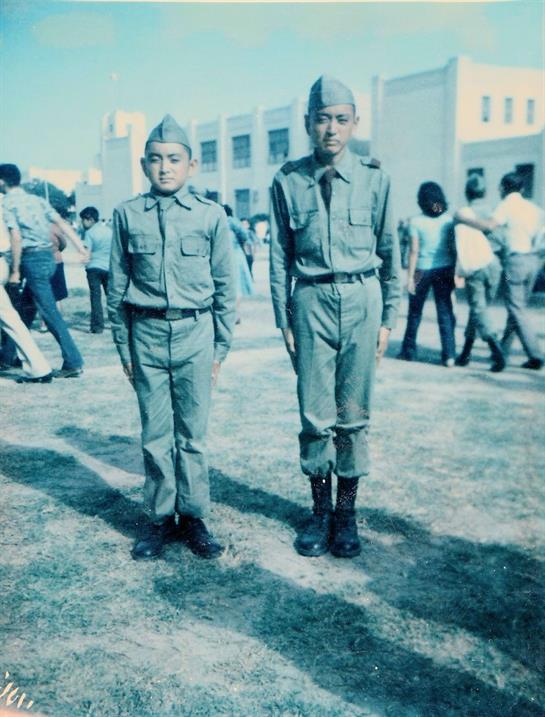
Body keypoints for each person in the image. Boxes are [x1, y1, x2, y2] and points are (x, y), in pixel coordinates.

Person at [270, 75, 401, 559]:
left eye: (341, 120)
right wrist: (283, 318)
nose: (331, 129)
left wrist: (388, 320)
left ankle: (346, 514)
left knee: (354, 413)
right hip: (310, 303)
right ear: (308, 123)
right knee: (313, 414)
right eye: (322, 119)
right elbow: (278, 256)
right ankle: (319, 511)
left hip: (362, 302)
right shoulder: (287, 181)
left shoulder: (375, 178)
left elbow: (389, 251)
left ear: (354, 123)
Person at [108, 114, 236, 561]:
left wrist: (220, 348)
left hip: (195, 333)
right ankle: (160, 518)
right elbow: (117, 287)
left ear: (192, 165)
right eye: (157, 160)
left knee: (193, 435)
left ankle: (195, 518)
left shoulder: (210, 215)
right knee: (155, 435)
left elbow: (225, 287)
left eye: (175, 160)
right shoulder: (126, 215)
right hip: (145, 333)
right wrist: (123, 348)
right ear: (144, 165)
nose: (166, 167)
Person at [0, 164, 89, 378]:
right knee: (24, 310)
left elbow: (16, 237)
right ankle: (6, 358)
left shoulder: (7, 203)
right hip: (48, 258)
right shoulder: (37, 200)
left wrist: (14, 271)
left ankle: (73, 361)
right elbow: (60, 223)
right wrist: (81, 247)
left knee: (49, 313)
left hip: (31, 260)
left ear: (2, 181)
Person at [456, 172, 545, 370]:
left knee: (513, 309)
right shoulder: (535, 209)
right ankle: (502, 350)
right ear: (522, 189)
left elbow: (490, 226)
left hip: (512, 261)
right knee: (516, 308)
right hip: (533, 260)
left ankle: (534, 354)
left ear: (503, 188)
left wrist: (463, 219)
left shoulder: (503, 207)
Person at [397, 182, 457, 366]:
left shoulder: (415, 222)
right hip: (445, 268)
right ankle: (449, 355)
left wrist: (409, 278)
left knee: (414, 312)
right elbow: (453, 248)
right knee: (445, 312)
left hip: (420, 270)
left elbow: (413, 250)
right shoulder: (448, 220)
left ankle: (409, 351)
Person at [454, 174, 505, 372]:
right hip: (494, 265)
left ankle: (495, 349)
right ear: (484, 192)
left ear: (467, 193)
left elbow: (455, 243)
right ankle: (466, 353)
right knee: (479, 309)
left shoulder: (463, 213)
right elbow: (502, 241)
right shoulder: (493, 213)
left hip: (475, 266)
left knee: (478, 308)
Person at [0, 193, 52, 383]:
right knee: (10, 319)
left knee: (10, 319)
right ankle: (38, 366)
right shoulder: (5, 200)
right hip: (4, 262)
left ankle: (38, 367)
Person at [80, 206, 113, 333]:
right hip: (108, 268)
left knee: (95, 298)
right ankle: (116, 324)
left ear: (90, 219)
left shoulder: (89, 233)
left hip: (93, 268)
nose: (82, 223)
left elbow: (87, 252)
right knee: (111, 297)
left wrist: (84, 261)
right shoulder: (109, 231)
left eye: (83, 220)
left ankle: (97, 327)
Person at [223, 205, 254, 323]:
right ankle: (235, 314)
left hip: (222, 257)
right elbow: (245, 236)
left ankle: (230, 314)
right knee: (237, 287)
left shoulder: (217, 221)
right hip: (236, 256)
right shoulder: (233, 222)